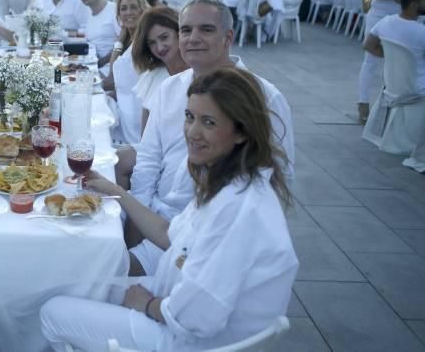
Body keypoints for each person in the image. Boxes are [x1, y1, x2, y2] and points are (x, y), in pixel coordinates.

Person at [41, 67, 298, 352]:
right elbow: (168, 233)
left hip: (186, 341)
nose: (193, 132)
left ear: (241, 132)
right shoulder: (230, 180)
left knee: (52, 311)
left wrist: (148, 304)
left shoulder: (239, 208)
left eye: (209, 122)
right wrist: (114, 190)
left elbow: (197, 318)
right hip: (177, 302)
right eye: (190, 117)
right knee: (76, 284)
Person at [126, 0, 294, 251]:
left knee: (104, 279)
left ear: (228, 37)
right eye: (185, 30)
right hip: (159, 218)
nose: (193, 38)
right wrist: (138, 218)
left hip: (212, 236)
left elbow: (279, 176)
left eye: (206, 29)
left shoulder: (263, 96)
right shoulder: (169, 88)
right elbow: (149, 158)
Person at [115, 7, 189, 190]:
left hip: (184, 152)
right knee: (116, 160)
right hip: (156, 149)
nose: (159, 47)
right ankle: (123, 215)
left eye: (164, 37)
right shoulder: (154, 76)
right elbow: (145, 135)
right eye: (152, 43)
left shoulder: (194, 72)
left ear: (179, 33)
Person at [358, 0, 425, 123]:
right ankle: (362, 103)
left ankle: (392, 103)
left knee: (402, 62)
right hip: (381, 16)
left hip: (411, 20)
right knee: (371, 60)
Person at [363, 0, 425, 95]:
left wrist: (394, 56)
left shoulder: (385, 22)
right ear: (413, 4)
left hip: (392, 87)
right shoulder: (422, 31)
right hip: (418, 90)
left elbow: (368, 46)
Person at [110, 0, 151, 145]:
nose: (128, 12)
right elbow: (113, 70)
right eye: (123, 9)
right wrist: (121, 39)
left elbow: (111, 76)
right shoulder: (130, 39)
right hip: (125, 110)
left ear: (142, 11)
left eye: (133, 7)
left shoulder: (146, 42)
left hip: (137, 116)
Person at [78, 0, 121, 73]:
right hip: (93, 64)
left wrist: (100, 63)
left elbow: (124, 42)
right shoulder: (89, 15)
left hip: (112, 66)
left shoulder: (114, 10)